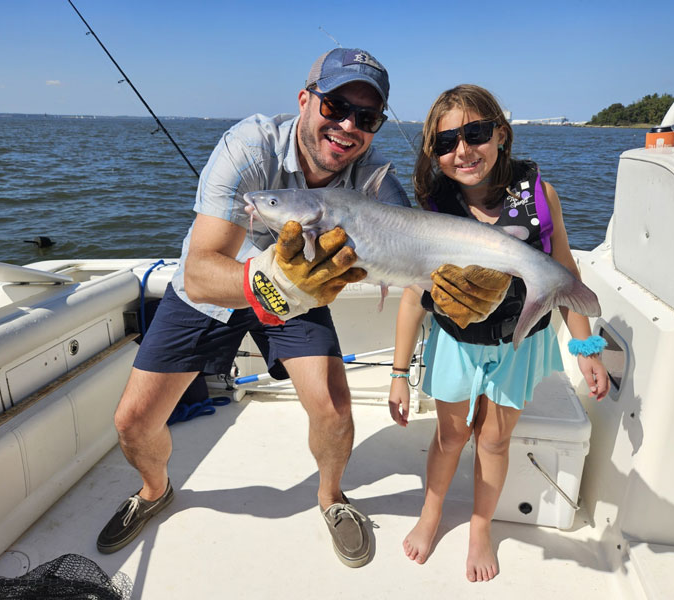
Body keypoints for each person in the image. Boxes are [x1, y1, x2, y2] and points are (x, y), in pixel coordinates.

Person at [96, 52, 511, 568]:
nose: (347, 126)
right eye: (335, 105)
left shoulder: (376, 182)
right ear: (305, 99)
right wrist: (268, 280)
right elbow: (202, 270)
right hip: (219, 287)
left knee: (336, 414)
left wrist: (463, 294)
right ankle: (154, 489)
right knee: (133, 422)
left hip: (302, 294)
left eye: (366, 118)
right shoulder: (249, 148)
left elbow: (418, 256)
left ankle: (332, 497)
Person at [387, 84, 610, 581]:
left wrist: (586, 347)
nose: (462, 150)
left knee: (493, 440)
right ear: (434, 154)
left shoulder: (539, 195)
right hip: (455, 345)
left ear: (501, 134)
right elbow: (411, 294)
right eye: (446, 143)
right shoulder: (432, 207)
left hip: (519, 344)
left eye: (475, 133)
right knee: (449, 436)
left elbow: (565, 275)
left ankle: (481, 524)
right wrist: (399, 373)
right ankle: (431, 513)